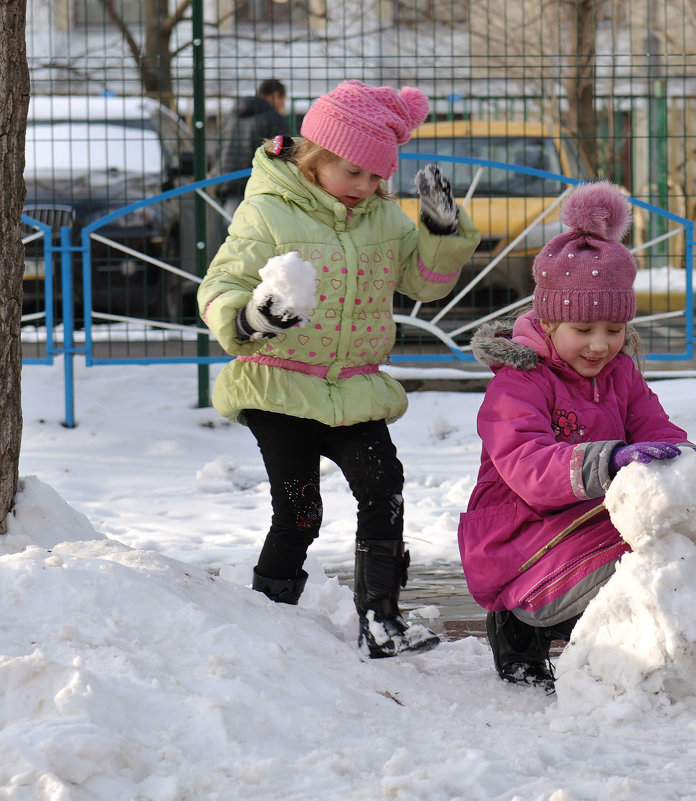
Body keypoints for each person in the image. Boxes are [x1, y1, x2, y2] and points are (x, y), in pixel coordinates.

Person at [198, 80, 481, 659]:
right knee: (301, 509)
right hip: (278, 382)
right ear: (315, 156)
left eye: (378, 177)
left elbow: (423, 284)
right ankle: (269, 616)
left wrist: (441, 232)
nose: (367, 187)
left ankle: (382, 619)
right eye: (354, 172)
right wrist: (252, 318)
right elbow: (221, 285)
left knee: (385, 490)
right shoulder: (268, 210)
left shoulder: (382, 218)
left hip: (352, 387)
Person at [457, 180, 696, 693]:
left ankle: (666, 647)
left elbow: (657, 431)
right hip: (521, 534)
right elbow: (527, 464)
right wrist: (611, 459)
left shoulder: (620, 374)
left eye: (614, 330)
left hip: (593, 520)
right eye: (583, 329)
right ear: (548, 320)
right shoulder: (519, 382)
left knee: (680, 543)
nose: (599, 345)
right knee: (621, 567)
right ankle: (520, 628)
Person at [217, 79, 292, 212]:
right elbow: (283, 153)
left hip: (227, 182)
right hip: (259, 186)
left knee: (234, 227)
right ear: (275, 96)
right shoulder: (274, 119)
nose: (282, 104)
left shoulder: (229, 117)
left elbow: (218, 149)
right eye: (283, 99)